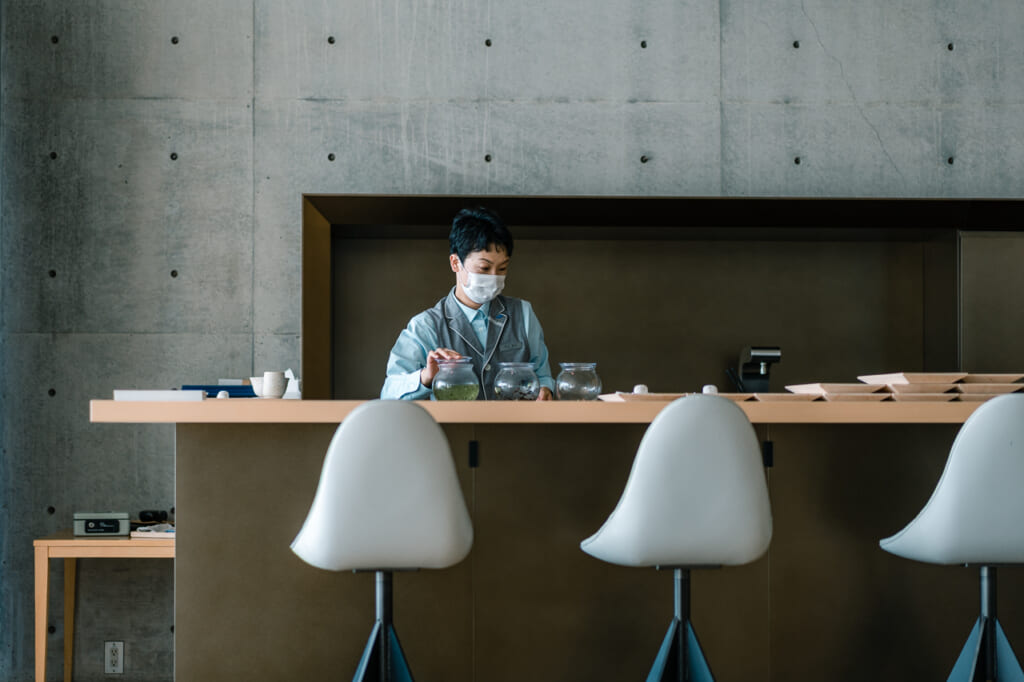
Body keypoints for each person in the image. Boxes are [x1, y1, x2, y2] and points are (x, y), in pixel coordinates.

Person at [381, 207, 554, 400]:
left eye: (502, 268)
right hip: (452, 429)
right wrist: (426, 377)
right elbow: (389, 393)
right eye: (484, 268)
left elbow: (543, 375)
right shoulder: (426, 326)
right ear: (456, 263)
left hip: (515, 428)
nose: (494, 277)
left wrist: (545, 389)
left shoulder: (523, 314)